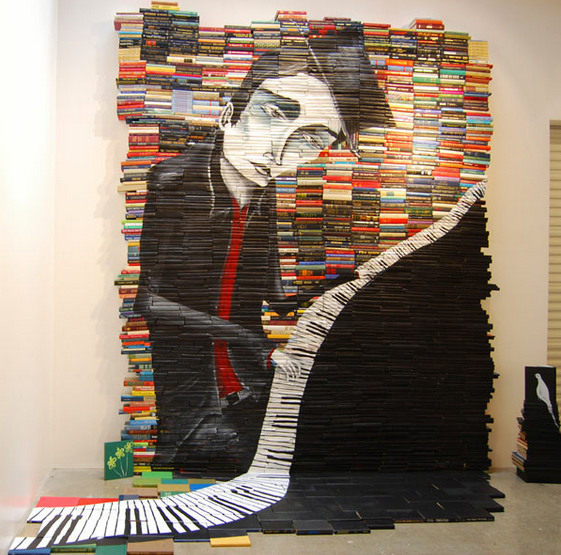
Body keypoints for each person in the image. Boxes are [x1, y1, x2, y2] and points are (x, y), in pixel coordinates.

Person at [134, 27, 391, 473]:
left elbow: (274, 296)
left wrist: (346, 283)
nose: (279, 149)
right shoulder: (174, 180)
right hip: (197, 397)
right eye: (272, 114)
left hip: (249, 383)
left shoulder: (263, 195)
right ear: (229, 113)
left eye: (310, 140)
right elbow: (148, 300)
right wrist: (246, 338)